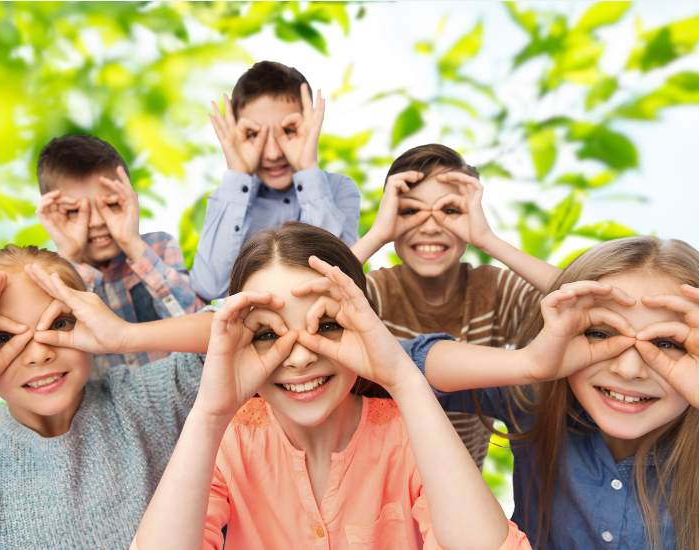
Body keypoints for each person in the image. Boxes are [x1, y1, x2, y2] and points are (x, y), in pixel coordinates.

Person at [131, 222, 532, 550]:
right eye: (268, 333)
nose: (300, 357)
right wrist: (209, 413)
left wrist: (403, 377)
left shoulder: (407, 435)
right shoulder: (230, 442)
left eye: (326, 326)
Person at [0, 245, 210, 549]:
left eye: (59, 323)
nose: (39, 354)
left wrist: (127, 336)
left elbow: (248, 332)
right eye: (2, 338)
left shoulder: (142, 401)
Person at [404, 236, 699, 550]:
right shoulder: (536, 397)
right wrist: (527, 364)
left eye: (666, 343)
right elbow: (393, 365)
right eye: (599, 333)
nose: (629, 369)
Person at [351, 143, 562, 469]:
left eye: (449, 210)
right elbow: (303, 301)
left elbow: (590, 298)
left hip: (462, 484)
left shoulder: (494, 290)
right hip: (379, 480)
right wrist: (376, 235)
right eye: (410, 211)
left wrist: (488, 240)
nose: (431, 225)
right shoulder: (375, 292)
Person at [190, 61, 361, 302]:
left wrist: (307, 168)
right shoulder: (231, 198)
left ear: (310, 125)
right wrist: (238, 172)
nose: (272, 153)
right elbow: (209, 287)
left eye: (288, 130)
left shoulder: (340, 189)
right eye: (253, 134)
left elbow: (334, 280)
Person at [36, 134, 204, 377]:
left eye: (112, 205)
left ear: (130, 200)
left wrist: (132, 244)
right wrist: (69, 258)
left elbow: (202, 325)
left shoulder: (159, 246)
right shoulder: (48, 278)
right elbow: (54, 352)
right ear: (51, 215)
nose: (96, 222)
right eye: (74, 211)